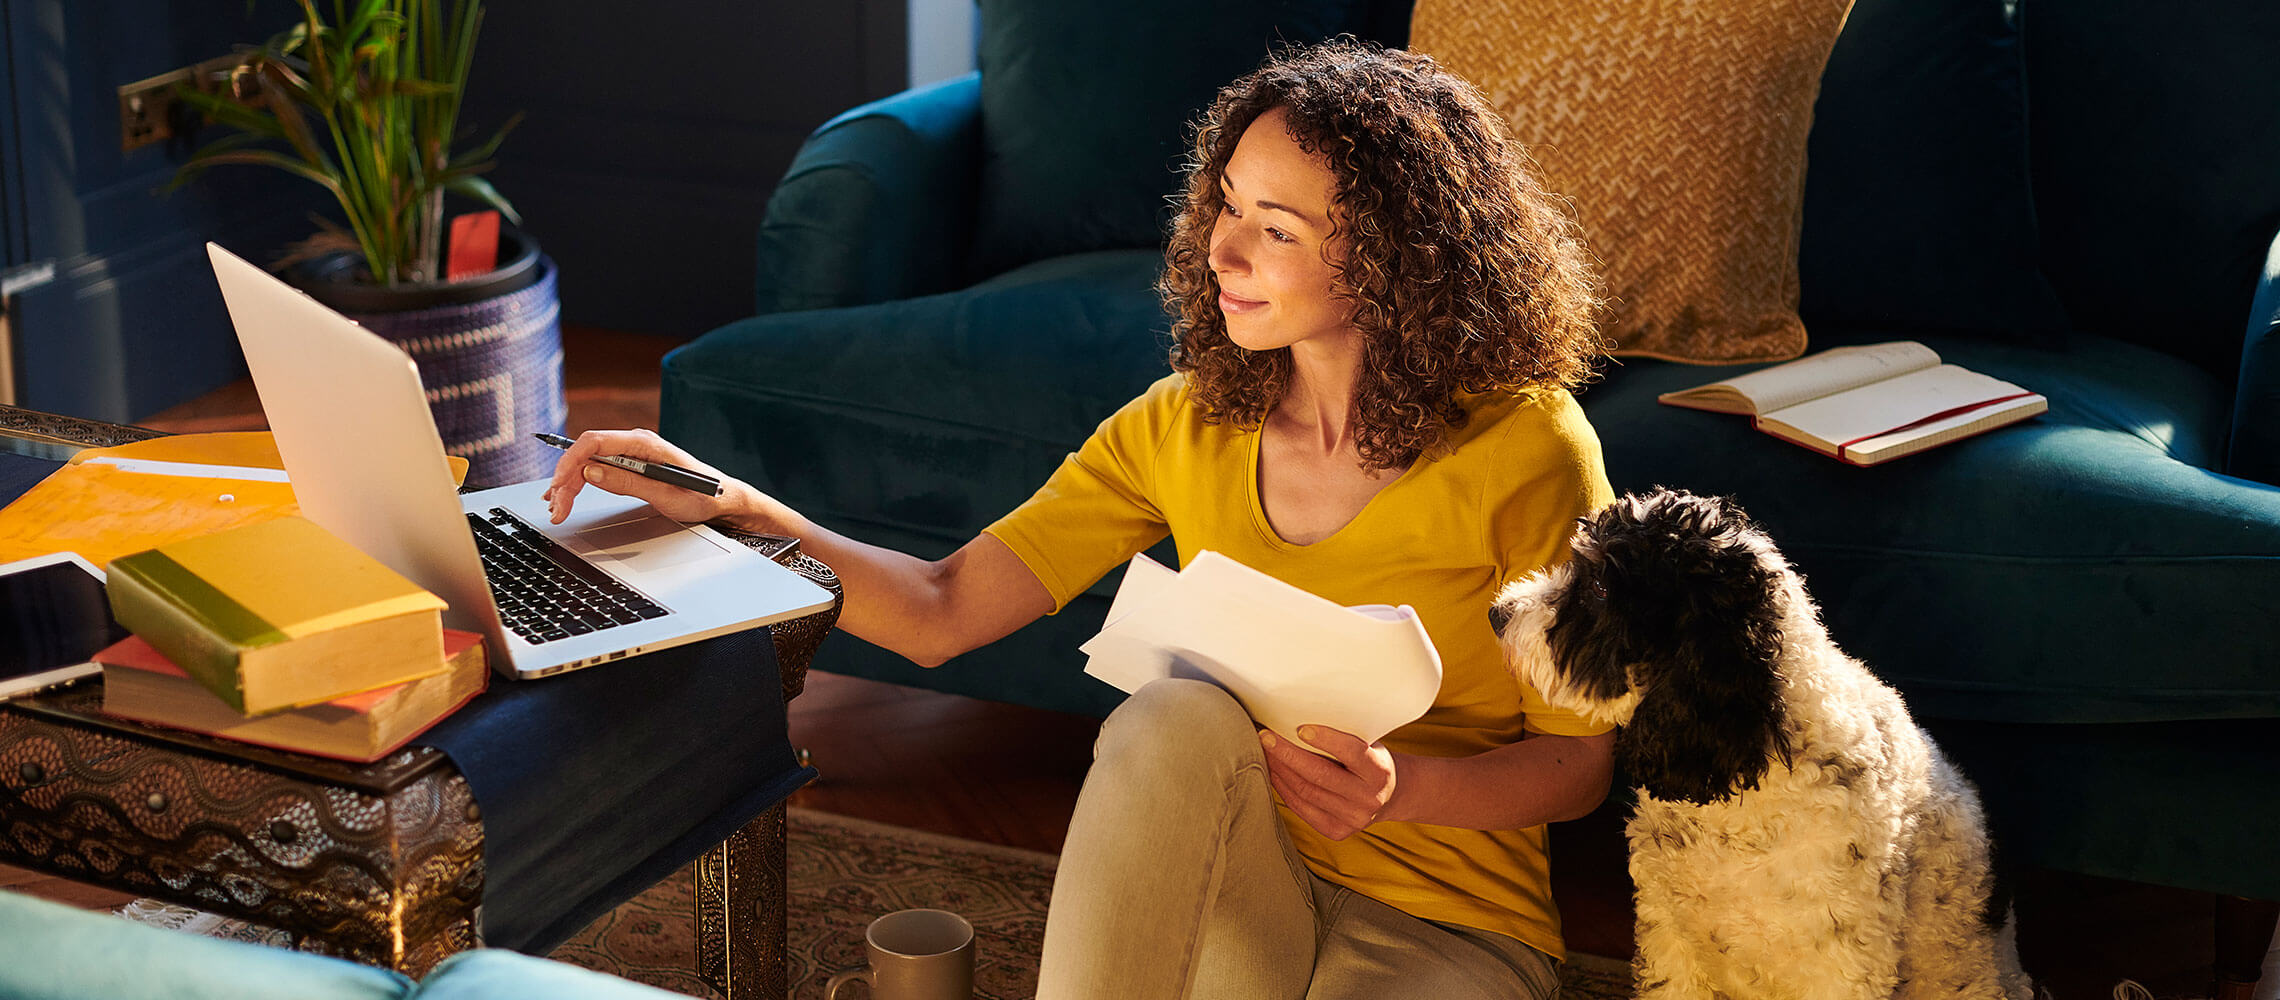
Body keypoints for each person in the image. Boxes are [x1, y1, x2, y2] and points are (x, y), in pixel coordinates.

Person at [545, 39, 1616, 1000]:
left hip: (1451, 925)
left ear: (1393, 257)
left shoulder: (1526, 450)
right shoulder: (1185, 423)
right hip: (1240, 892)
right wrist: (732, 508)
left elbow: (1579, 766)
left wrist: (1400, 791)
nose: (1223, 251)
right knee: (1171, 715)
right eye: (1227, 205)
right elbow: (941, 604)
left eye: (1274, 229)